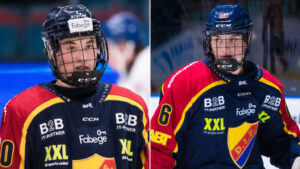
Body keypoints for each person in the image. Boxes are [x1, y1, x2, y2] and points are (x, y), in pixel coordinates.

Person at [150, 3, 300, 169]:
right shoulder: (183, 84)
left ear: (248, 40)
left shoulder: (268, 89)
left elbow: (283, 143)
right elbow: (158, 149)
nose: (225, 48)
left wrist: (296, 159)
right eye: (218, 39)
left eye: (234, 39)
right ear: (209, 41)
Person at [0, 5, 149, 169]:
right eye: (71, 48)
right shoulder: (22, 110)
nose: (82, 57)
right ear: (51, 52)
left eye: (89, 45)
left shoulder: (132, 105)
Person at [103, 12, 149, 102]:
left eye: (107, 48)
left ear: (123, 46)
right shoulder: (126, 75)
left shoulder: (145, 62)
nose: (107, 58)